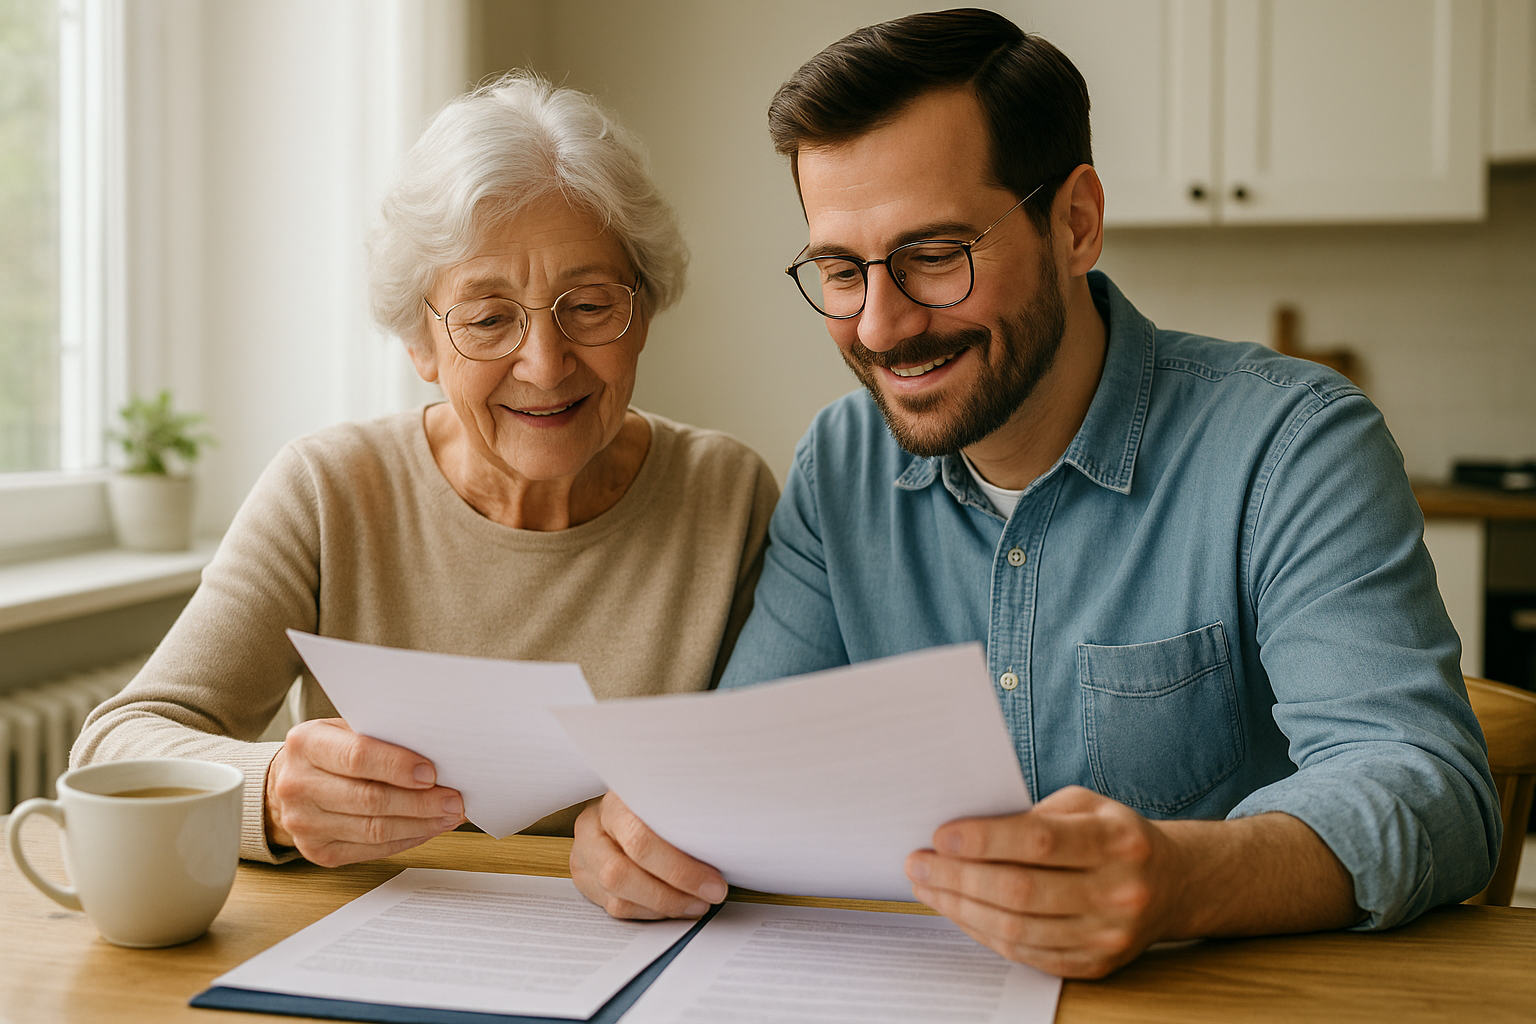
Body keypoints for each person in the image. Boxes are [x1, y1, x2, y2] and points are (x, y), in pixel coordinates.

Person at [568, 10, 1501, 978]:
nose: (883, 326)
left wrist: (1182, 877)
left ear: (1076, 222)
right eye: (842, 271)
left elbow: (1431, 789)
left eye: (934, 255)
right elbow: (738, 778)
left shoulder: (1291, 445)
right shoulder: (838, 467)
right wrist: (644, 834)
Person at [74, 73, 778, 869]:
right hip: (372, 948)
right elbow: (115, 746)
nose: (545, 366)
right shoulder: (330, 489)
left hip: (640, 947)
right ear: (419, 341)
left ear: (643, 313)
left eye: (589, 306)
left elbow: (777, 772)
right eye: (487, 319)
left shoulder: (728, 493)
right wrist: (269, 787)